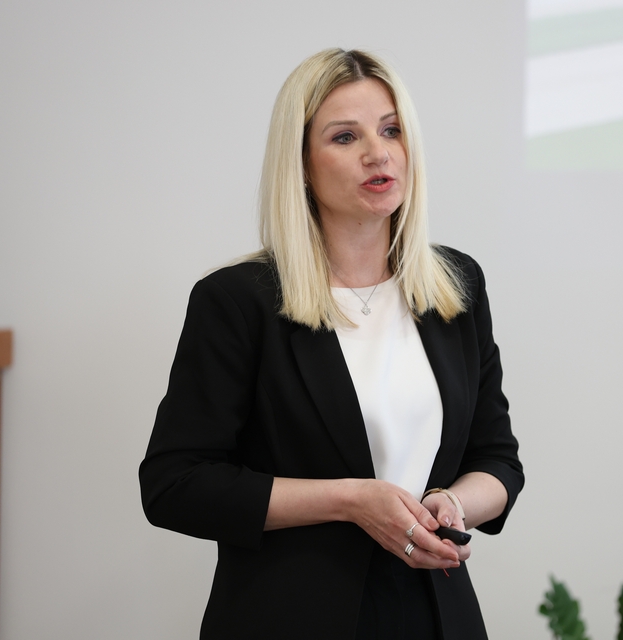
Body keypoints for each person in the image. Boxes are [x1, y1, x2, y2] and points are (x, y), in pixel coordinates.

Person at [139, 48, 523, 639]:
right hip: (290, 618)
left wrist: (453, 504)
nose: (378, 152)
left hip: (438, 615)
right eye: (345, 136)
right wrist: (351, 501)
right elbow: (175, 485)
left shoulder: (457, 285)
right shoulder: (237, 301)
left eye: (391, 130)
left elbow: (497, 459)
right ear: (300, 164)